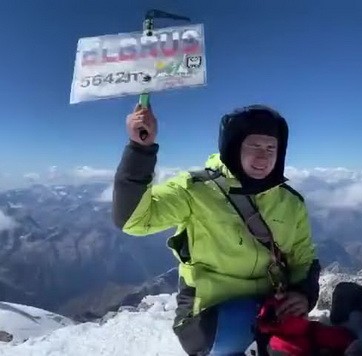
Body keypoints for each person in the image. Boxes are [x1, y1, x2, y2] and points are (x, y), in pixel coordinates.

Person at [112, 103, 321, 355]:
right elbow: (133, 219)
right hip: (208, 315)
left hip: (270, 305)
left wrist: (303, 294)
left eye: (270, 148)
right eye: (254, 146)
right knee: (260, 338)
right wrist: (140, 149)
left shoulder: (290, 202)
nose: (263, 157)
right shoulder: (194, 189)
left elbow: (303, 257)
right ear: (234, 147)